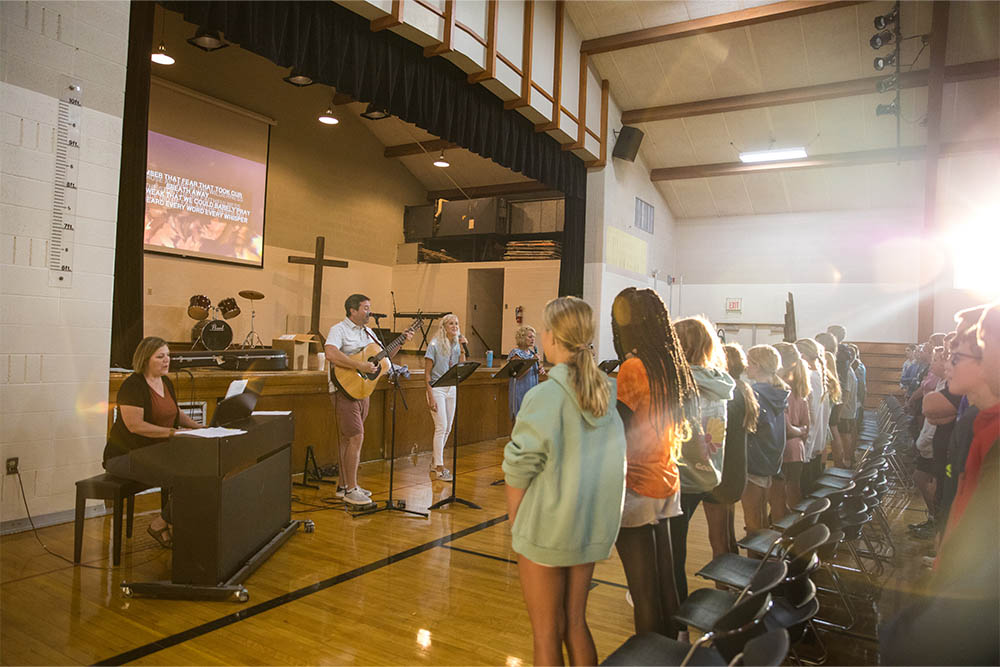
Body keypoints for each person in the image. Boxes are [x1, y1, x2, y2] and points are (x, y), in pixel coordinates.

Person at [503, 296, 626, 667]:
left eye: (544, 330)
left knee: (545, 634)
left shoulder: (547, 395)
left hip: (546, 529)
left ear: (554, 337)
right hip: (587, 524)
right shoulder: (606, 392)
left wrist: (516, 525)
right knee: (575, 623)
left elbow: (519, 468)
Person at [610, 288, 697, 638]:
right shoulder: (670, 364)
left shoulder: (633, 367)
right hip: (667, 478)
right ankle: (675, 652)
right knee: (666, 581)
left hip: (637, 485)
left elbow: (619, 432)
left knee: (643, 593)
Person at [104, 337, 201, 548]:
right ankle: (161, 523)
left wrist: (200, 428)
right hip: (124, 456)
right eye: (160, 356)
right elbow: (135, 426)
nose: (167, 360)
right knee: (186, 477)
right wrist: (173, 434)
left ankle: (169, 521)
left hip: (155, 452)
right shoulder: (133, 386)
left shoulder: (165, 382)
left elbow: (176, 413)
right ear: (146, 359)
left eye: (168, 355)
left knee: (202, 469)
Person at [325, 293, 412, 506]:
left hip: (362, 390)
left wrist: (401, 340)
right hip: (343, 390)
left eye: (369, 308)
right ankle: (351, 489)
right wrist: (359, 366)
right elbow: (330, 354)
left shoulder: (369, 332)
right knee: (356, 437)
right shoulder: (339, 330)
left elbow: (382, 356)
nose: (369, 312)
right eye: (365, 308)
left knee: (348, 438)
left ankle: (343, 486)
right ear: (352, 310)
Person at [672, 315, 735, 606]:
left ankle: (678, 624)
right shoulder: (718, 380)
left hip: (681, 476)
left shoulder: (681, 383)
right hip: (709, 472)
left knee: (672, 555)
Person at [703, 343, 758, 558]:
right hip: (735, 470)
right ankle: (732, 583)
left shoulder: (725, 395)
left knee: (717, 539)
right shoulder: (743, 389)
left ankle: (725, 587)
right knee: (727, 535)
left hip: (721, 473)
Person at [741, 345, 790, 533]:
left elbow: (748, 428)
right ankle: (764, 558)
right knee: (760, 516)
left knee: (753, 520)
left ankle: (756, 562)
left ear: (758, 365)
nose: (746, 366)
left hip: (754, 460)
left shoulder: (754, 394)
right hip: (771, 458)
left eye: (749, 362)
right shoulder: (777, 391)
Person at [424, 314, 468, 481]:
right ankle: (440, 468)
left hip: (452, 388)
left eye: (456, 323)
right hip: (437, 389)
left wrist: (463, 347)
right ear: (444, 327)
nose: (455, 326)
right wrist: (430, 395)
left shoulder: (457, 345)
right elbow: (427, 373)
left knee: (448, 427)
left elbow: (461, 366)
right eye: (451, 323)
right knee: (441, 427)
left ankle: (435, 461)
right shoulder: (434, 345)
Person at [771, 343, 811, 521]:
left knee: (781, 498)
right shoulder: (799, 389)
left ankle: (789, 533)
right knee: (793, 493)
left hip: (784, 450)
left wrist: (797, 430)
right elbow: (805, 427)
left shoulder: (781, 390)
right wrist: (801, 430)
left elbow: (786, 429)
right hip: (798, 449)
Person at [795, 338, 829, 494]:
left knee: (802, 489)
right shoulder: (817, 374)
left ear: (801, 356)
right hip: (813, 441)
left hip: (809, 442)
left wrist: (806, 443)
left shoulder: (812, 377)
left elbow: (812, 415)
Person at [508, 325, 546, 422]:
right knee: (519, 419)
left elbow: (534, 369)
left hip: (532, 388)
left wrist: (540, 369)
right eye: (530, 337)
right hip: (520, 389)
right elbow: (519, 374)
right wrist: (532, 361)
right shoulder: (515, 353)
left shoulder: (532, 353)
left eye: (533, 337)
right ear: (522, 338)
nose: (533, 339)